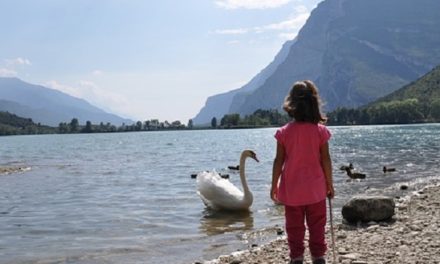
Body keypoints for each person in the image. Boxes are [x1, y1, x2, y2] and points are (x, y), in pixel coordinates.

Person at [270, 80, 334, 264]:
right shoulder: (320, 132)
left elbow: (278, 161)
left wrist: (274, 185)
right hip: (316, 190)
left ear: (291, 105)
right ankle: (319, 258)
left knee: (294, 228)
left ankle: (296, 258)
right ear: (314, 104)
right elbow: (326, 160)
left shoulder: (283, 133)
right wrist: (329, 184)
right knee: (317, 227)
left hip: (292, 191)